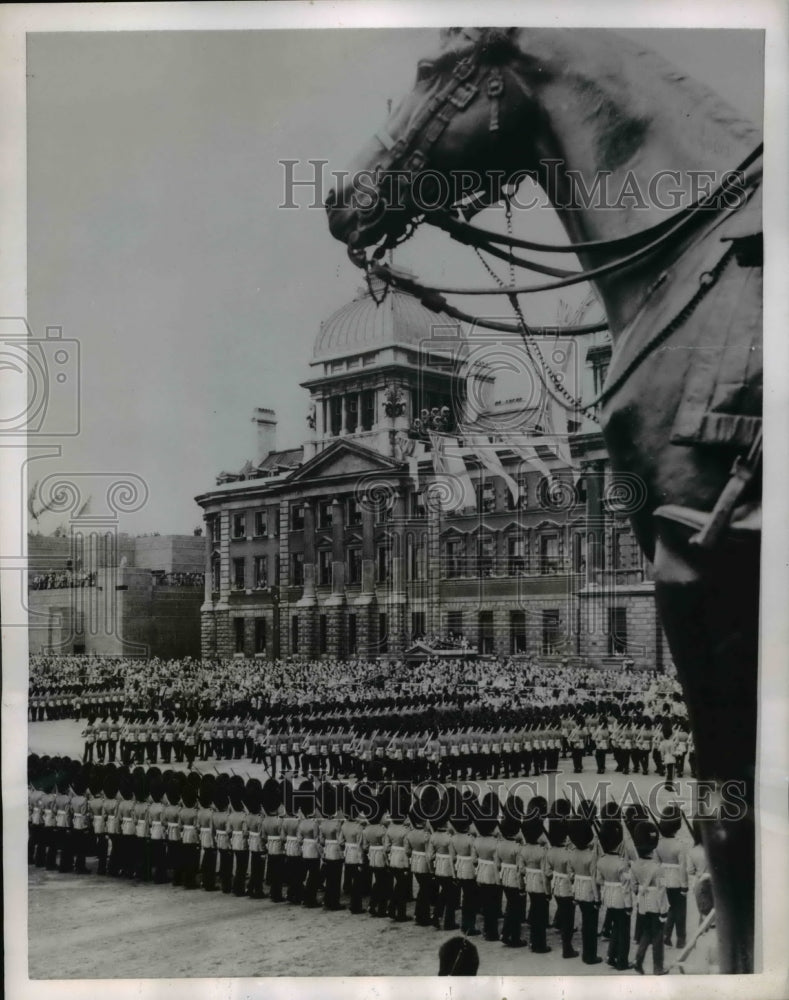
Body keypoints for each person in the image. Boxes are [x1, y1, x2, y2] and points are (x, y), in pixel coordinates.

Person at [630, 821, 669, 975]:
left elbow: (634, 887)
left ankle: (638, 961)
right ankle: (658, 967)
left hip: (643, 904)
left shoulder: (634, 865)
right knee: (658, 936)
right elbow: (661, 891)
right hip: (656, 905)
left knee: (646, 933)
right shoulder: (658, 869)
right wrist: (664, 910)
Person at [595, 820, 632, 970]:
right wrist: (629, 905)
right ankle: (622, 961)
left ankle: (611, 956)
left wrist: (609, 884)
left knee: (615, 927)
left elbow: (599, 880)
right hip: (621, 899)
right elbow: (626, 887)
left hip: (608, 897)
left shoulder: (601, 861)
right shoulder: (622, 863)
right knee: (623, 931)